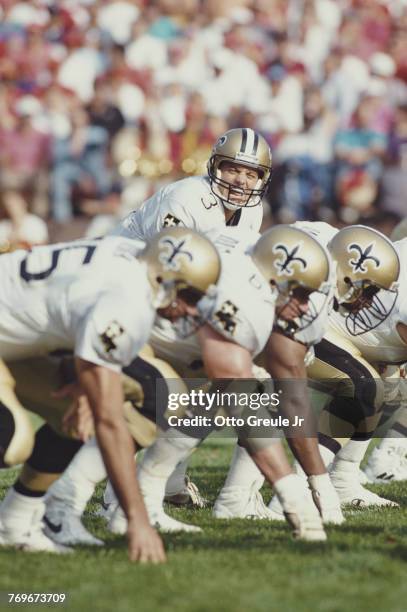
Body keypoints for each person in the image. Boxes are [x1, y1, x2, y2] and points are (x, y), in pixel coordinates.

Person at [0, 227, 221, 561]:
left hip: (18, 341)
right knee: (13, 439)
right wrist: (137, 519)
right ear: (164, 279)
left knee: (78, 414)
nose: (191, 310)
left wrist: (85, 385)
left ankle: (15, 523)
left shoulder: (134, 259)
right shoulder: (128, 296)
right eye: (188, 297)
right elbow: (110, 422)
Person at [109, 127, 273, 240]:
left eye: (250, 175)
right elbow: (163, 260)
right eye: (233, 171)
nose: (241, 181)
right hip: (127, 260)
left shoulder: (253, 210)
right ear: (216, 170)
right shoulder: (185, 200)